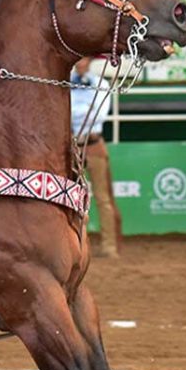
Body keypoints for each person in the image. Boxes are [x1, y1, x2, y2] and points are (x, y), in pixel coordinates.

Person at [70, 57, 120, 258]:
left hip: (93, 144)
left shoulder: (101, 83)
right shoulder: (69, 81)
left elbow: (99, 114)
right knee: (72, 199)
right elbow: (88, 113)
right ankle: (76, 247)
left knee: (102, 198)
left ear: (89, 62)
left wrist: (76, 114)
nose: (81, 63)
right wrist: (84, 112)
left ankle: (109, 246)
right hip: (74, 145)